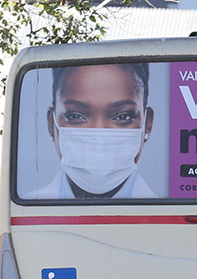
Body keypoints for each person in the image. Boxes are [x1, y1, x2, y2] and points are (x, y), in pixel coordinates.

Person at [29, 63, 157, 199]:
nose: (99, 141)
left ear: (147, 123)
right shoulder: (23, 210)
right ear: (51, 124)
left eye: (122, 116)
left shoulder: (167, 217)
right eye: (75, 116)